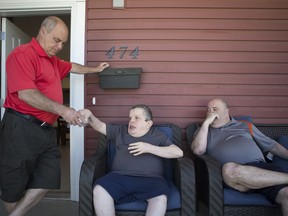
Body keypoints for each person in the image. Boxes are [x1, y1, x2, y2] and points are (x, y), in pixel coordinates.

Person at [0, 16, 109, 216]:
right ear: (43, 31)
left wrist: (95, 70)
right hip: (20, 127)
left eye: (63, 43)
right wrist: (64, 110)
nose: (60, 46)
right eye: (56, 40)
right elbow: (26, 93)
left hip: (44, 130)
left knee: (49, 177)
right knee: (12, 186)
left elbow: (72, 67)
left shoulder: (53, 61)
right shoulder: (22, 54)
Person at [78, 104, 183, 216]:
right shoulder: (120, 131)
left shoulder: (157, 136)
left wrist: (148, 148)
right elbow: (99, 126)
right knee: (99, 190)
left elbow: (178, 152)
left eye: (137, 118)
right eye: (130, 118)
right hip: (119, 178)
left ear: (149, 123)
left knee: (160, 198)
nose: (131, 121)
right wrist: (90, 115)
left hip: (151, 180)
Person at [191, 98, 288, 215]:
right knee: (229, 170)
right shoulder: (203, 131)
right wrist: (206, 123)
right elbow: (198, 150)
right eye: (208, 110)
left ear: (226, 111)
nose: (211, 112)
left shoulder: (245, 125)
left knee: (286, 195)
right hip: (234, 177)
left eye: (215, 109)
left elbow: (273, 146)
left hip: (263, 170)